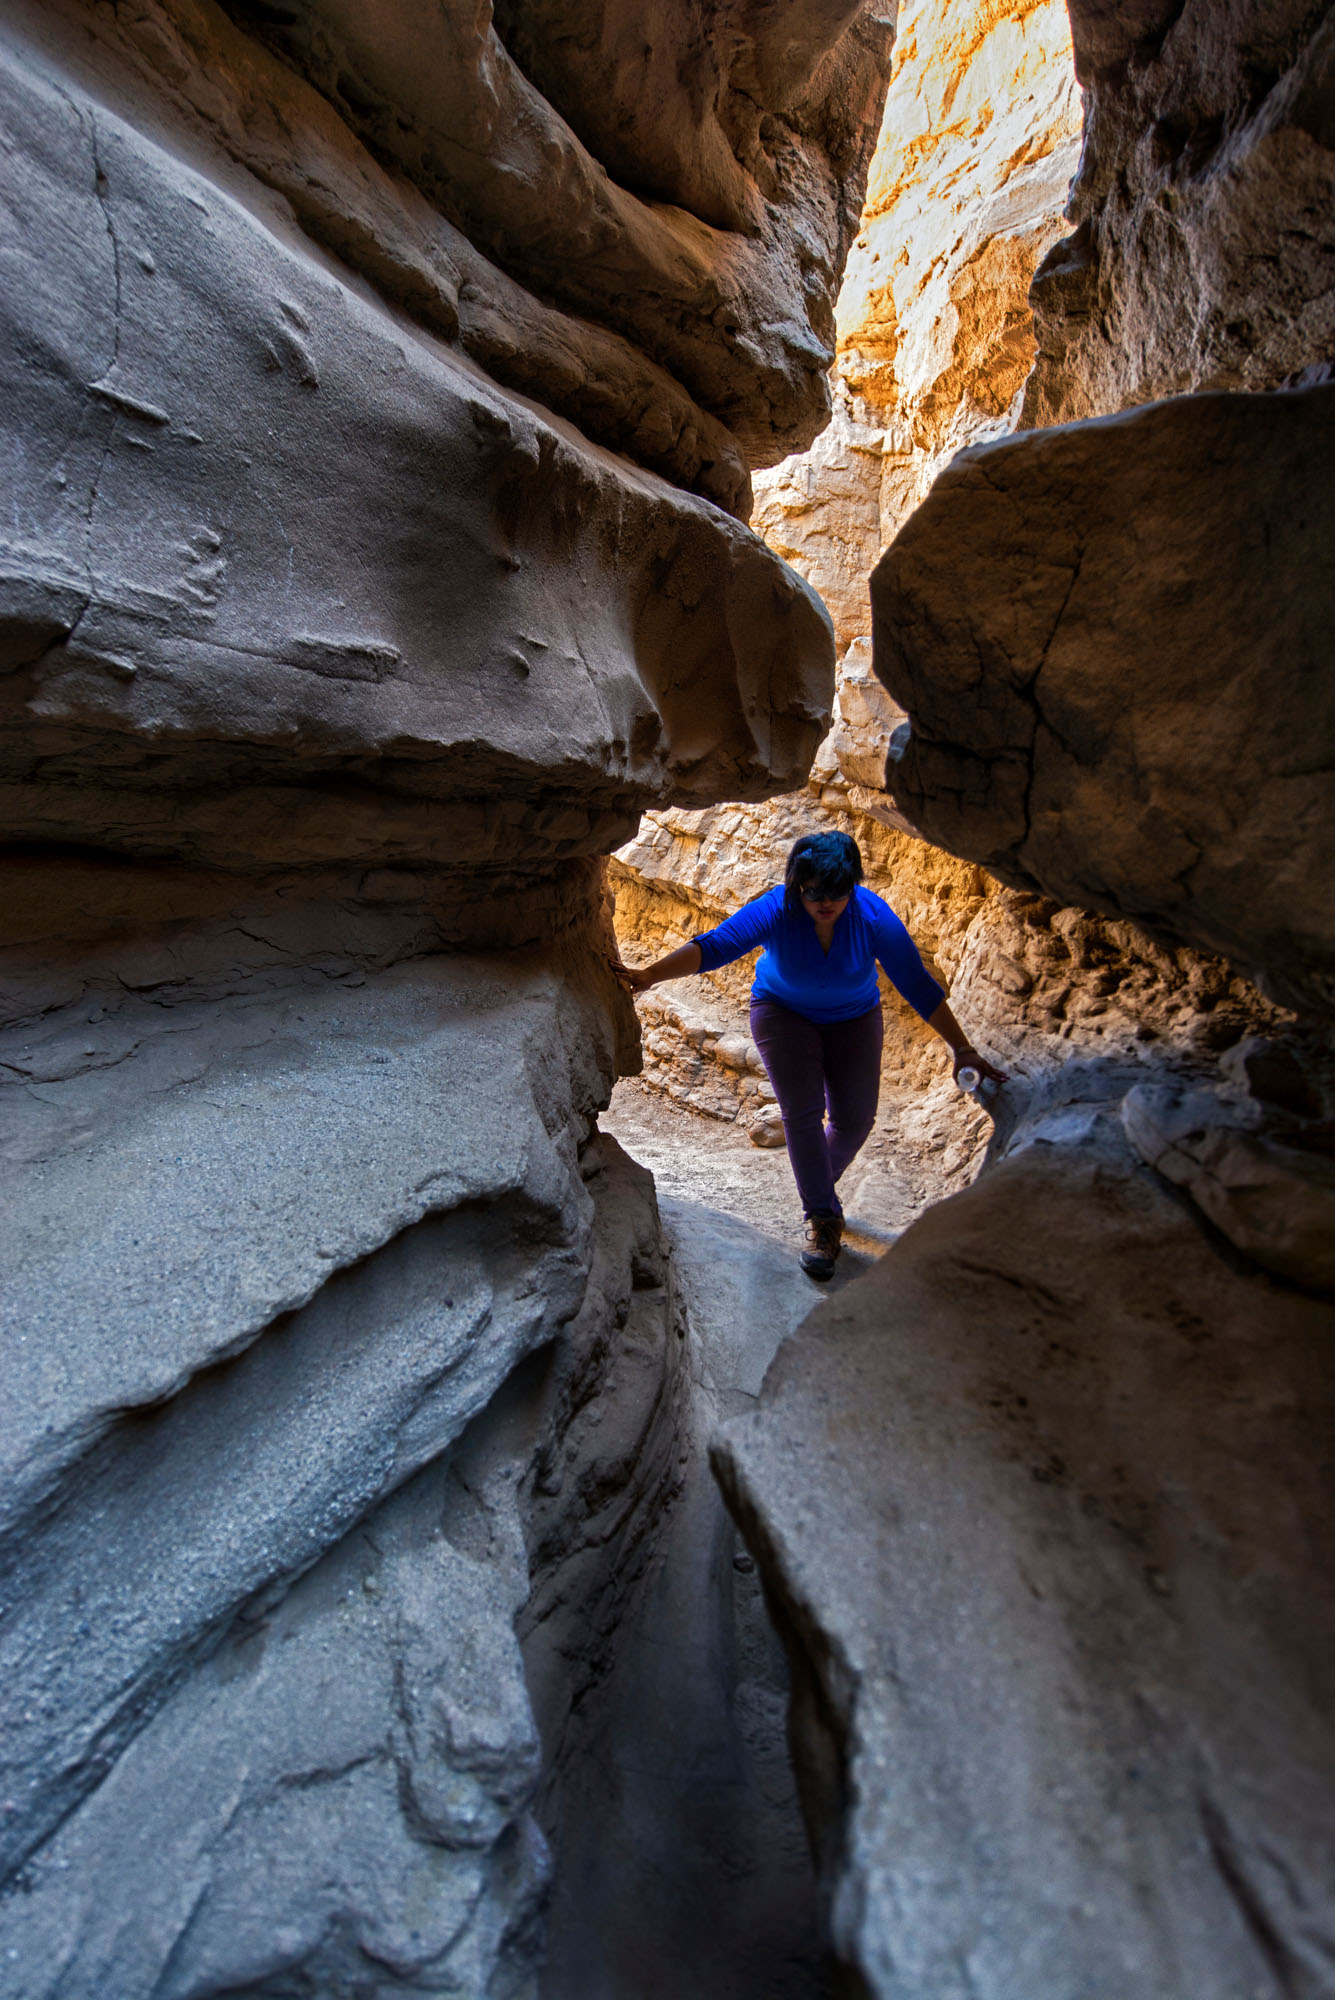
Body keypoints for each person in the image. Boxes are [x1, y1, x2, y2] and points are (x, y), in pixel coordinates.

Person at [608, 830, 1006, 1279]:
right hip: (782, 1013)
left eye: (837, 893)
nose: (825, 903)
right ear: (797, 885)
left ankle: (815, 1182)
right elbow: (716, 945)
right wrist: (651, 974)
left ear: (853, 886)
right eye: (813, 893)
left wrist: (963, 1048)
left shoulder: (873, 917)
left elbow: (916, 984)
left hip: (854, 1017)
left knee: (856, 1120)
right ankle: (822, 1219)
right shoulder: (779, 907)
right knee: (802, 1114)